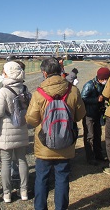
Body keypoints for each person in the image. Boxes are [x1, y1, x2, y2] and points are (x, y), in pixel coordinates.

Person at [26, 57, 86, 210]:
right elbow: (80, 115)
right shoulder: (72, 90)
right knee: (62, 177)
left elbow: (32, 120)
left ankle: (40, 207)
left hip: (44, 142)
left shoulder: (39, 93)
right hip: (66, 141)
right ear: (60, 71)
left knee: (42, 178)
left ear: (44, 73)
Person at [0, 61, 30, 203]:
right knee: (22, 160)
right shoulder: (26, 89)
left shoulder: (3, 91)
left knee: (6, 162)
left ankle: (7, 194)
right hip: (21, 128)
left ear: (7, 73)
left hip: (6, 131)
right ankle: (24, 191)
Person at [81, 67, 110, 165]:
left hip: (98, 113)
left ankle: (99, 154)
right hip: (88, 115)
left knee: (98, 135)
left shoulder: (104, 85)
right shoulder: (89, 85)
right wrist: (96, 100)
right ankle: (90, 157)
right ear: (100, 78)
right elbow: (82, 99)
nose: (106, 81)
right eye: (105, 79)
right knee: (90, 136)